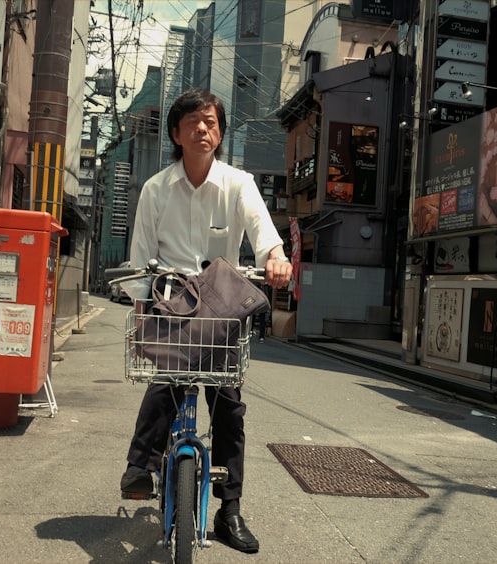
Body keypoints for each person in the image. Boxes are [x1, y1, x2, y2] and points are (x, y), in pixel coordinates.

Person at [119, 88, 292, 554]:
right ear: (176, 133)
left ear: (220, 132)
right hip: (172, 305)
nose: (203, 129)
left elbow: (262, 232)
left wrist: (275, 256)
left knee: (229, 408)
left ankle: (229, 510)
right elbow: (139, 262)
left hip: (222, 310)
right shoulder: (155, 190)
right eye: (193, 121)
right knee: (165, 383)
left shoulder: (239, 184)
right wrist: (139, 317)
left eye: (211, 122)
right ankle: (141, 467)